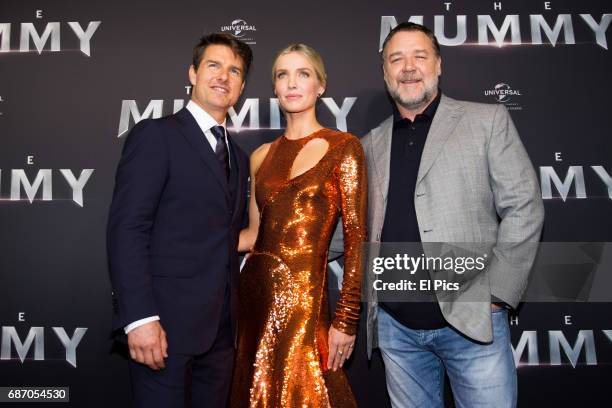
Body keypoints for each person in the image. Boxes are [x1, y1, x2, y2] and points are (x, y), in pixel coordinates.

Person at [333, 22, 544, 407]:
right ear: (384, 72)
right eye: (396, 59)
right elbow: (348, 228)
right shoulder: (367, 145)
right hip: (397, 332)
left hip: (474, 325)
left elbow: (524, 207)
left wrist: (498, 292)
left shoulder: (487, 121)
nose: (408, 67)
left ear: (439, 64)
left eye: (420, 56)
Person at [107, 33, 252, 407]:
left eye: (234, 70)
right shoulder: (157, 135)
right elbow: (128, 229)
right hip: (163, 330)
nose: (224, 76)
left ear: (242, 87)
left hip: (220, 335)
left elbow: (223, 235)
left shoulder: (238, 155)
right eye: (214, 66)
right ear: (192, 73)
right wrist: (140, 319)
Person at [229, 44, 367, 407]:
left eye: (303, 74)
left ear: (320, 85)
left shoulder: (344, 147)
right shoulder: (261, 156)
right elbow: (253, 236)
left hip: (307, 304)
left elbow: (356, 238)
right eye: (282, 75)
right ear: (274, 88)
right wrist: (187, 238)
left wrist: (347, 319)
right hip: (254, 302)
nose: (292, 83)